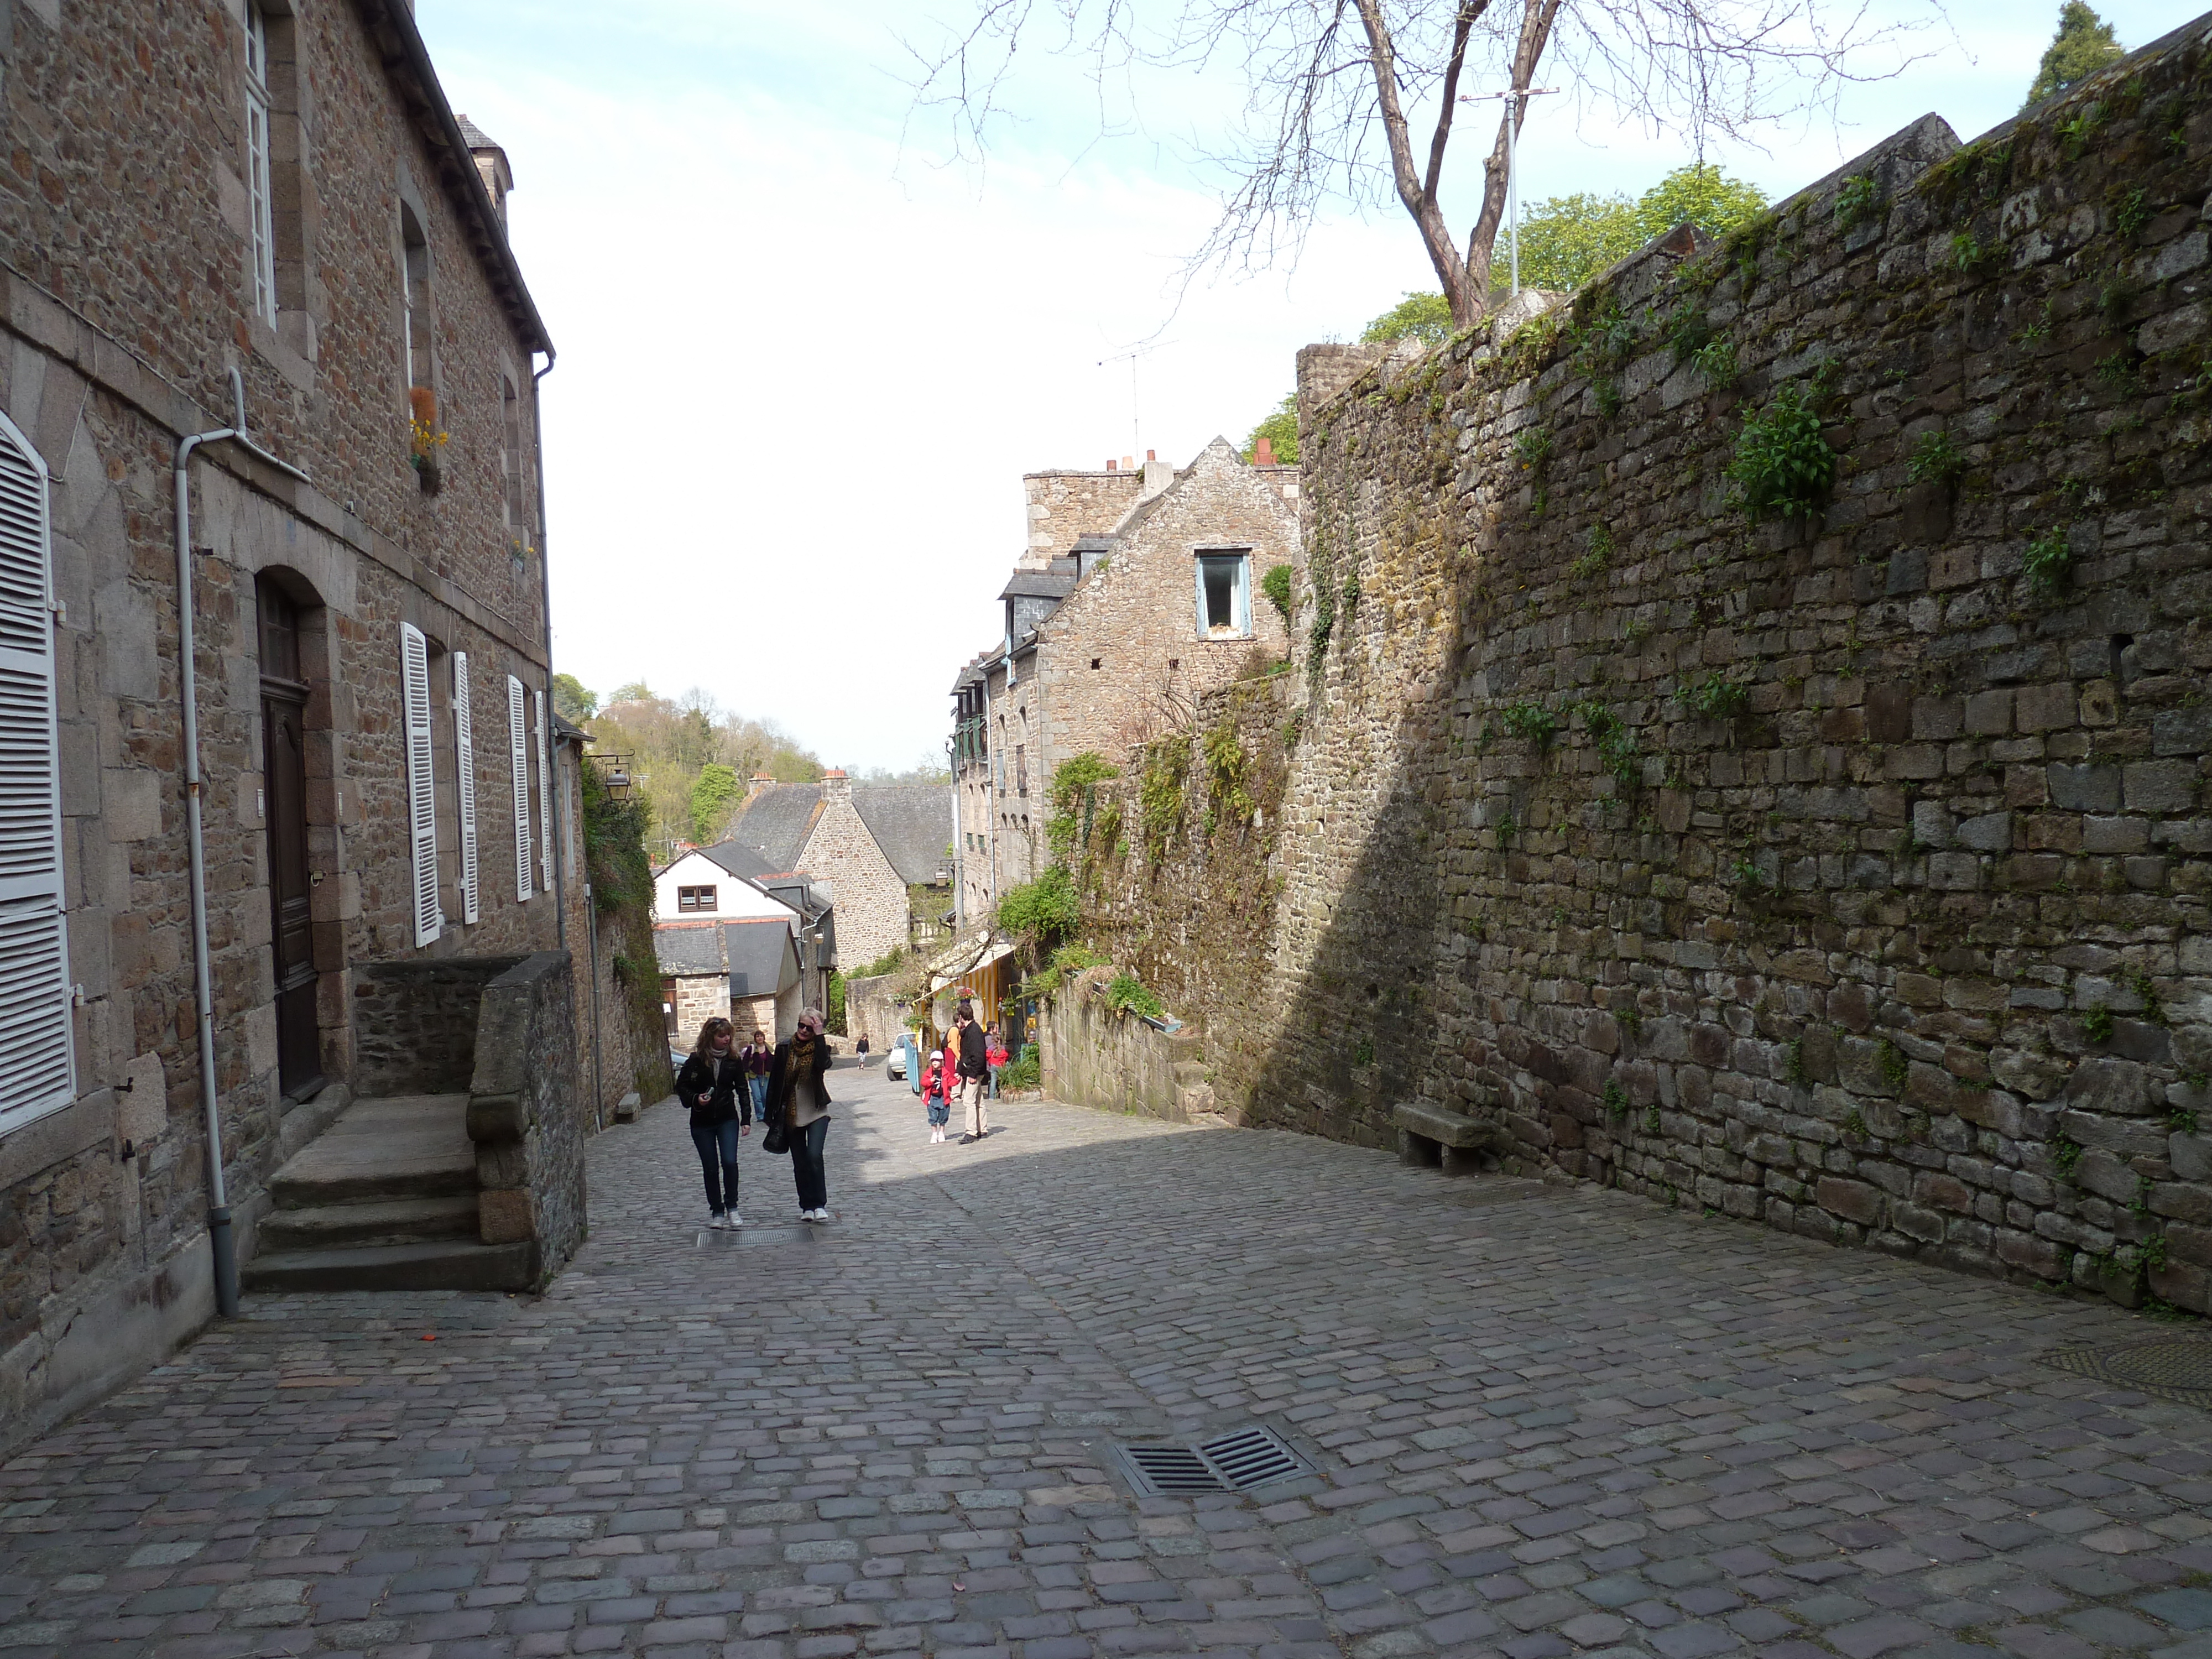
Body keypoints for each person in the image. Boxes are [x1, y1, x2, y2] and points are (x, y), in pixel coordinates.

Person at [674, 1016, 750, 1228]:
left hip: (727, 1118)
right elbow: (681, 1086)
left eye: (728, 1035)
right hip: (702, 1122)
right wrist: (695, 1099)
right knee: (710, 1167)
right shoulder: (696, 1060)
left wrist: (746, 1119)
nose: (726, 1039)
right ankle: (717, 1211)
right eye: (721, 1036)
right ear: (711, 1037)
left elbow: (742, 1089)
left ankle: (732, 1207)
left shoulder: (733, 1059)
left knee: (730, 1162)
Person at [770, 1008, 836, 1222]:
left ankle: (820, 1204)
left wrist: (819, 1035)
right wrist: (770, 1112)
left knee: (814, 1156)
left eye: (810, 1028)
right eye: (802, 1026)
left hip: (817, 1111)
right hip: (792, 1113)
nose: (804, 1031)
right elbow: (776, 1081)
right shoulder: (785, 1049)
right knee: (800, 1162)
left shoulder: (820, 1048)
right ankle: (807, 1206)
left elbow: (823, 1064)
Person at [954, 998, 992, 1144]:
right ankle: (982, 1128)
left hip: (974, 1071)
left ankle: (971, 1131)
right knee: (978, 1100)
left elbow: (977, 1054)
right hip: (974, 1070)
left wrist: (973, 1074)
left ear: (962, 1017)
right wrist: (960, 1071)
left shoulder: (974, 1031)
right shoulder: (972, 1030)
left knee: (969, 1101)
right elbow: (966, 1054)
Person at [742, 1029, 772, 1126]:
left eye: (761, 1036)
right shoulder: (752, 1049)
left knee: (765, 1096)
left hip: (765, 1076)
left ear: (764, 1038)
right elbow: (745, 1061)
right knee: (757, 1096)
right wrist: (746, 1074)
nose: (759, 1038)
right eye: (757, 1036)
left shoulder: (768, 1049)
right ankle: (760, 1116)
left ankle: (766, 1113)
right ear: (755, 1038)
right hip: (753, 1076)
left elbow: (772, 1061)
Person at [921, 1052, 951, 1142]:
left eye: (937, 1061)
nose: (935, 1062)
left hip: (943, 1097)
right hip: (932, 1098)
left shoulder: (945, 1073)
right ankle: (934, 1134)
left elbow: (950, 1082)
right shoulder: (929, 1073)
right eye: (933, 1060)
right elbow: (923, 1083)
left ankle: (941, 1133)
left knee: (943, 1116)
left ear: (941, 1062)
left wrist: (957, 1080)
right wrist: (930, 1081)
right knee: (933, 1117)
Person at [985, 1026, 1010, 1100]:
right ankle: (1002, 1094)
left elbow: (987, 1056)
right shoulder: (1003, 1048)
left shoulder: (990, 1048)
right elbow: (1006, 1057)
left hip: (993, 1065)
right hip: (1000, 1066)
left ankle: (991, 1097)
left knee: (993, 1081)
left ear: (993, 1041)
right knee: (1002, 1080)